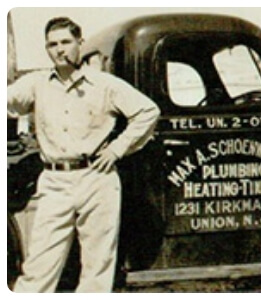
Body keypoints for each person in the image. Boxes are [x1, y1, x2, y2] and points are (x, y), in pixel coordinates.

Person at [7, 16, 160, 293]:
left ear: (80, 43)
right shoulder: (36, 84)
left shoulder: (104, 84)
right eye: (52, 44)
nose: (60, 49)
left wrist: (117, 148)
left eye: (66, 42)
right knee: (39, 266)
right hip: (54, 182)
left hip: (97, 179)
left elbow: (148, 111)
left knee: (97, 267)